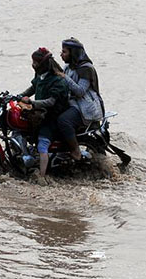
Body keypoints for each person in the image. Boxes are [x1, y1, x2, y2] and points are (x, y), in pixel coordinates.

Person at [19, 47, 69, 177]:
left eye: (36, 62)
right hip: (39, 114)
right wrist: (18, 96)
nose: (33, 65)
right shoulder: (40, 76)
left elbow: (51, 102)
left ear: (43, 64)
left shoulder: (58, 80)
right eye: (33, 62)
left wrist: (32, 103)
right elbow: (33, 88)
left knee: (42, 145)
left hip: (52, 117)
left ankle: (42, 177)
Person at [56, 37, 104, 160]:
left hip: (84, 106)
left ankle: (75, 150)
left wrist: (64, 77)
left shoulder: (86, 69)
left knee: (63, 121)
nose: (61, 54)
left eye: (64, 52)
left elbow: (80, 91)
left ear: (73, 53)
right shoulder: (68, 67)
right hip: (72, 103)